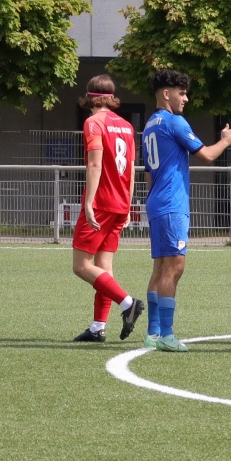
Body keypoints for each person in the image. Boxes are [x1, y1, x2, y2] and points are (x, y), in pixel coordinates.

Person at [138, 70, 231, 350]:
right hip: (172, 203)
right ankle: (167, 335)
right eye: (181, 93)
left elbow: (147, 173)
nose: (186, 99)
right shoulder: (175, 122)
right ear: (166, 93)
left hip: (157, 201)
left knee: (160, 268)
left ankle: (153, 333)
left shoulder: (150, 125)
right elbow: (206, 155)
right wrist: (226, 140)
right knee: (174, 268)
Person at [68, 75, 146, 343]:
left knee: (81, 266)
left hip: (101, 202)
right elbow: (132, 169)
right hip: (120, 203)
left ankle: (128, 303)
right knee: (104, 266)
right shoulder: (126, 125)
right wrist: (128, 204)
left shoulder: (93, 122)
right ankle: (98, 327)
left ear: (89, 97)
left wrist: (88, 202)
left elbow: (94, 164)